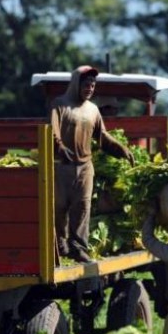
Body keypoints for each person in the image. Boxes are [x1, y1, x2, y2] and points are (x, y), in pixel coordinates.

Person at [50, 65, 134, 263]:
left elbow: (102, 137)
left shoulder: (93, 110)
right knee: (60, 206)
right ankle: (61, 244)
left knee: (82, 206)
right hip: (63, 166)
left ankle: (78, 247)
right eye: (86, 84)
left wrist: (121, 149)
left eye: (93, 85)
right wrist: (59, 146)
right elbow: (52, 130)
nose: (90, 88)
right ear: (76, 84)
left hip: (85, 166)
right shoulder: (60, 105)